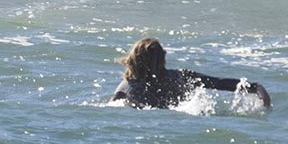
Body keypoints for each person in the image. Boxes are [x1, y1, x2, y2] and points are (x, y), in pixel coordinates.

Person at [112, 38, 271, 109]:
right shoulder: (181, 77)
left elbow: (110, 111)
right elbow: (220, 83)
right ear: (163, 58)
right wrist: (256, 88)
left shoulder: (126, 88)